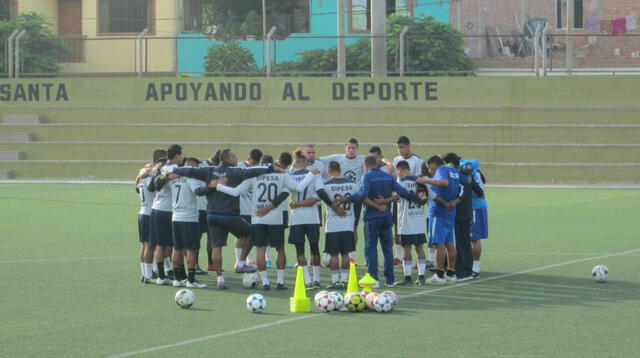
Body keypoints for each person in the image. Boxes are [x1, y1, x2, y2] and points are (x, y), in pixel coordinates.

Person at [168, 149, 275, 289]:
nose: (237, 158)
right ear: (228, 158)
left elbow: (190, 171)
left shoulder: (208, 171)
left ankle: (220, 280)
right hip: (230, 215)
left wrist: (176, 169)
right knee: (251, 233)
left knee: (216, 247)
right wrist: (270, 167)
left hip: (212, 215)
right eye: (235, 155)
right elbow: (253, 171)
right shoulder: (235, 171)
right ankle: (241, 264)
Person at [223, 154, 321, 290]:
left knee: (260, 249)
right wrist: (310, 174)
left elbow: (235, 192)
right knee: (280, 249)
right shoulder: (283, 176)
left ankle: (265, 282)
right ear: (273, 165)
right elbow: (299, 188)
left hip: (258, 218)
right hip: (276, 218)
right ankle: (280, 282)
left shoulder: (253, 176)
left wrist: (218, 187)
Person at [336, 156, 422, 288]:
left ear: (366, 165)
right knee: (387, 249)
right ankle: (390, 280)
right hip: (386, 217)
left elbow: (362, 195)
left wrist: (346, 199)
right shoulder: (388, 176)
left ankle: (373, 279)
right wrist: (417, 198)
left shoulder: (367, 176)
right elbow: (402, 191)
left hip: (372, 218)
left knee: (371, 249)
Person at [319, 138, 365, 263]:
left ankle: (351, 256)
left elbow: (377, 160)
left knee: (353, 227)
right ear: (345, 147)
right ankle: (328, 253)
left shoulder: (362, 159)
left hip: (353, 198)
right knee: (329, 223)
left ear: (357, 148)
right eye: (349, 147)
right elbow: (319, 159)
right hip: (336, 195)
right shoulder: (337, 158)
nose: (351, 150)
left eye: (354, 147)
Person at [393, 160, 435, 286]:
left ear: (399, 170)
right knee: (419, 248)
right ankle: (421, 276)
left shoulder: (401, 182)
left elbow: (397, 197)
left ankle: (407, 277)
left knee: (406, 248)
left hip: (406, 221)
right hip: (419, 220)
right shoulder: (420, 180)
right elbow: (431, 196)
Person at [288, 151, 326, 288]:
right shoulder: (315, 175)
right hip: (312, 217)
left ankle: (307, 280)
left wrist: (296, 204)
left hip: (296, 217)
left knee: (300, 250)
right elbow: (316, 198)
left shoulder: (289, 176)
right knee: (314, 248)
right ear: (305, 162)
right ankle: (316, 278)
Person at [169, 157, 208, 289]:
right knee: (191, 249)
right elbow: (198, 192)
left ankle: (177, 278)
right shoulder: (191, 179)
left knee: (177, 248)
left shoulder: (174, 179)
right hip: (189, 217)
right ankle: (191, 280)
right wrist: (211, 187)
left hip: (175, 216)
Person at [423, 155, 461, 285]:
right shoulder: (455, 171)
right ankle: (450, 273)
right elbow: (461, 190)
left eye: (430, 167)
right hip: (450, 213)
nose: (429, 170)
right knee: (450, 243)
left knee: (438, 244)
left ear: (435, 164)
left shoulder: (441, 170)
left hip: (438, 212)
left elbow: (444, 182)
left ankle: (439, 275)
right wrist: (454, 202)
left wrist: (425, 181)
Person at [148, 144, 183, 285]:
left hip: (156, 208)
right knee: (172, 245)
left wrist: (158, 171)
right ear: (177, 156)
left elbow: (151, 187)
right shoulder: (174, 169)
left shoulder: (162, 168)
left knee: (160, 245)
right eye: (181, 155)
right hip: (167, 211)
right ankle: (173, 274)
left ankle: (162, 276)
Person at [322, 161, 357, 289]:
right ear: (340, 169)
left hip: (332, 224)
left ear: (329, 170)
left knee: (333, 254)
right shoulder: (352, 184)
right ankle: (345, 280)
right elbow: (358, 198)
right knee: (345, 254)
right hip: (348, 223)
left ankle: (335, 281)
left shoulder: (326, 185)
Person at [392, 136, 425, 265]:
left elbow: (419, 182)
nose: (400, 150)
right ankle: (399, 256)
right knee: (397, 227)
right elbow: (396, 179)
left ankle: (416, 262)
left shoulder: (417, 161)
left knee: (415, 235)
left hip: (412, 201)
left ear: (408, 146)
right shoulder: (396, 160)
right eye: (398, 148)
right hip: (400, 199)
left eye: (402, 147)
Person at [135, 149, 165, 283]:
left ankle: (145, 273)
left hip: (142, 212)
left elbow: (137, 188)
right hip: (149, 213)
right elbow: (154, 187)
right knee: (150, 246)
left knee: (144, 245)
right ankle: (147, 275)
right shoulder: (151, 174)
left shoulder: (142, 173)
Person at [443, 153, 474, 282]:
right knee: (466, 242)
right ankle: (468, 270)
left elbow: (458, 193)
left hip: (457, 213)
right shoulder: (465, 174)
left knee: (458, 243)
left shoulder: (454, 175)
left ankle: (459, 272)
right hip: (467, 212)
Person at [236, 149, 263, 269]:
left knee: (242, 237)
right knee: (249, 236)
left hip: (241, 208)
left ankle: (243, 262)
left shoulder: (239, 167)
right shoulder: (250, 170)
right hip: (245, 209)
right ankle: (240, 263)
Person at [464, 159, 488, 278]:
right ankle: (474, 266)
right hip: (479, 207)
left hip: (475, 208)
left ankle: (475, 268)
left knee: (474, 238)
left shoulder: (472, 176)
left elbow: (478, 190)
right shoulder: (478, 174)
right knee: (474, 238)